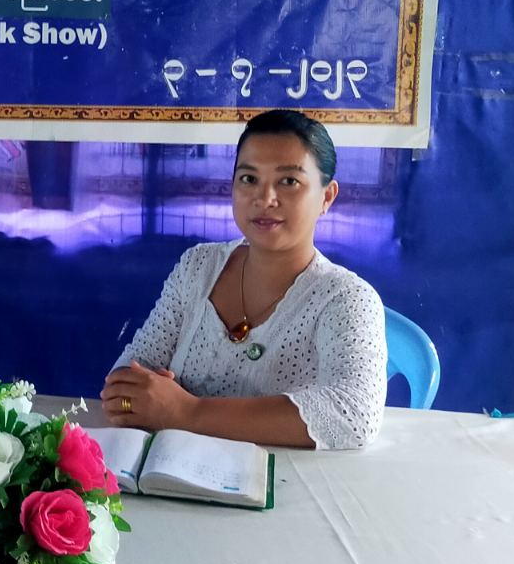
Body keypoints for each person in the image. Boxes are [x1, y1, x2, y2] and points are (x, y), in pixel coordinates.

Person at [100, 109, 386, 450]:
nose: (265, 199)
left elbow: (353, 415)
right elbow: (130, 373)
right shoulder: (198, 266)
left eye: (289, 181)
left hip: (281, 477)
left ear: (327, 197)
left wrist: (186, 412)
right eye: (249, 179)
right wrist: (133, 397)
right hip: (172, 470)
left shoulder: (346, 298)